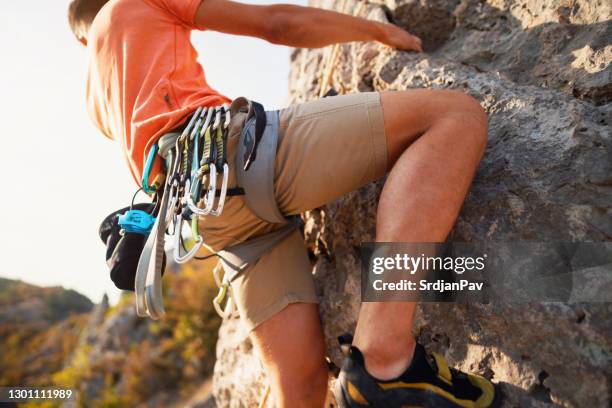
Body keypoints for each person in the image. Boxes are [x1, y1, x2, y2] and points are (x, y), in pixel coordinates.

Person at [69, 0, 497, 406]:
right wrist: (377, 30)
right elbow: (277, 24)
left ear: (83, 40)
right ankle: (383, 355)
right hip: (238, 157)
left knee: (301, 390)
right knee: (454, 115)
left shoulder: (94, 93)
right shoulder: (136, 3)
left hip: (212, 219)